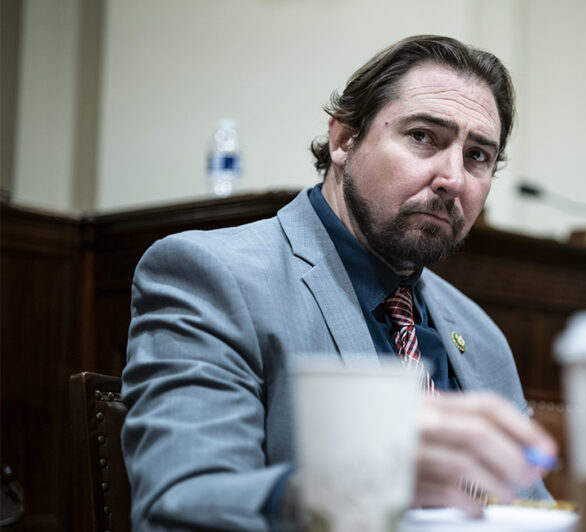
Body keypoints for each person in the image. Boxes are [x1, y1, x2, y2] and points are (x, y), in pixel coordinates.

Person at [121, 35, 556, 530]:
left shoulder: (480, 335)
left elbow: (532, 512)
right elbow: (179, 506)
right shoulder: (212, 276)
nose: (453, 177)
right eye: (423, 136)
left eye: (477, 155)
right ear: (345, 139)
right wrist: (371, 487)